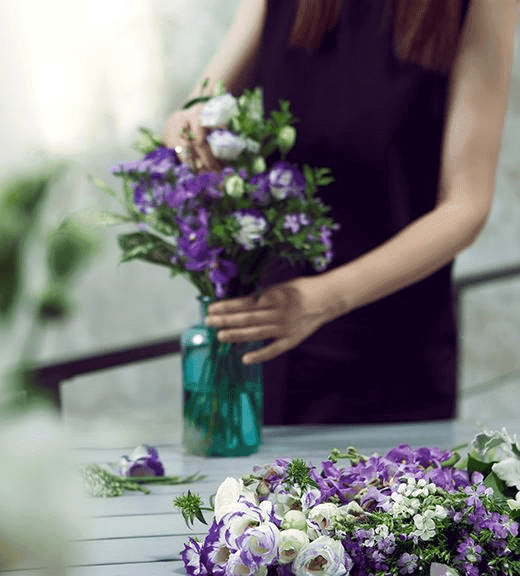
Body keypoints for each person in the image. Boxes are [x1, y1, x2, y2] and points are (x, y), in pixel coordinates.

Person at [163, 0, 516, 425]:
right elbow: (199, 106)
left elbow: (466, 205)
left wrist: (322, 300)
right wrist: (190, 129)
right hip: (265, 328)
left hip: (389, 349)